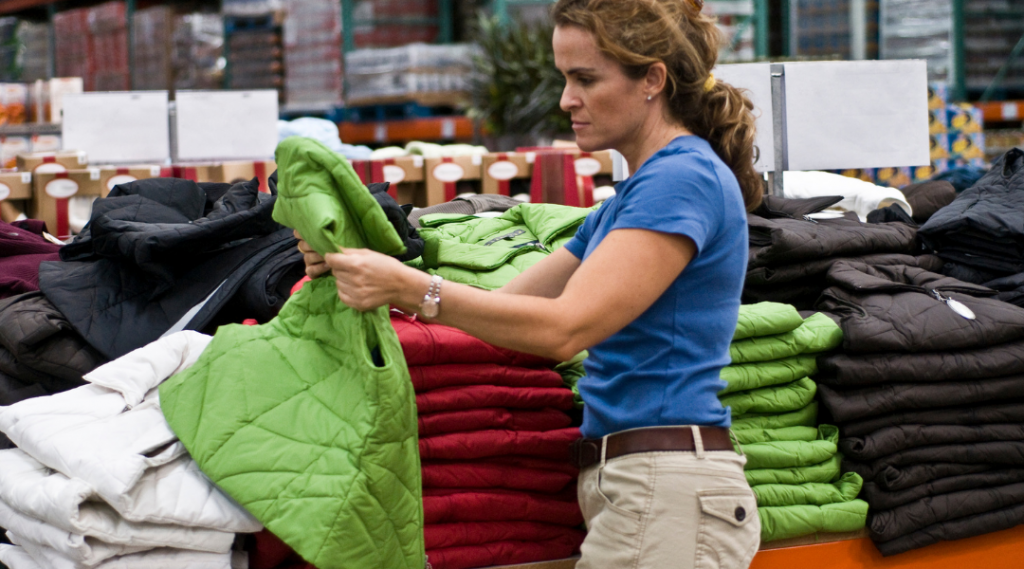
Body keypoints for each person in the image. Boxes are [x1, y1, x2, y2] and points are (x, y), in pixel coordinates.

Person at [297, 0, 763, 566]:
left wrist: (406, 287)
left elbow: (565, 328)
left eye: (585, 78)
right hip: (641, 487)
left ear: (653, 80)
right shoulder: (633, 198)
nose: (567, 99)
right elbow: (504, 310)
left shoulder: (680, 180)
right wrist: (357, 261)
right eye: (565, 78)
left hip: (665, 490)